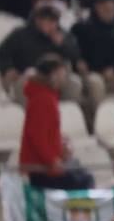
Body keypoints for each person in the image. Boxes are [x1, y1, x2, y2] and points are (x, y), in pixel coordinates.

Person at [19, 56, 93, 190]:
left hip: (45, 165)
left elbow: (46, 132)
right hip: (43, 167)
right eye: (62, 74)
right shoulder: (43, 99)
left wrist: (62, 144)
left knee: (82, 175)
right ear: (53, 75)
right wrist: (53, 161)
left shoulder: (45, 96)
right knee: (84, 180)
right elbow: (37, 136)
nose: (65, 78)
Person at [0, 6, 84, 100]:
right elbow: (0, 54)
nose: (50, 24)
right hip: (27, 73)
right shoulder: (21, 34)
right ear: (37, 20)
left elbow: (75, 56)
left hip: (55, 75)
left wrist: (62, 44)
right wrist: (8, 68)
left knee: (74, 83)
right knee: (24, 82)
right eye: (47, 20)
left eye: (53, 21)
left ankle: (62, 112)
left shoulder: (63, 35)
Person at [71, 0, 114, 100]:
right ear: (97, 8)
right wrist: (78, 60)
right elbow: (71, 46)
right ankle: (101, 116)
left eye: (112, 10)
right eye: (106, 9)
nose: (109, 12)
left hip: (110, 75)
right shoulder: (81, 29)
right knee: (96, 82)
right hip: (88, 74)